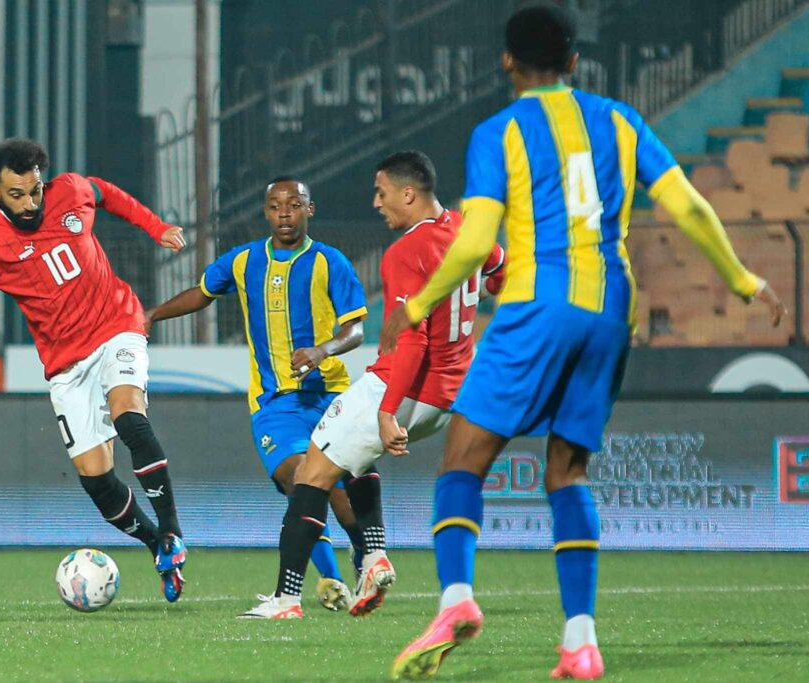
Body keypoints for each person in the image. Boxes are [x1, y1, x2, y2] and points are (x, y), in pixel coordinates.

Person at [383, 6, 786, 680]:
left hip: (539, 303)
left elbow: (476, 243)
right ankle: (580, 642)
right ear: (574, 62)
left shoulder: (499, 131)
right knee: (567, 471)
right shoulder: (620, 121)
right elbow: (686, 203)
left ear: (507, 62)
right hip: (611, 309)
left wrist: (419, 305)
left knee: (462, 460)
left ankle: (455, 600)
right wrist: (742, 279)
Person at [0, 138, 193, 602]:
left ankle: (173, 530)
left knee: (130, 417)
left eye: (35, 191)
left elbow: (105, 192)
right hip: (66, 364)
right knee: (97, 479)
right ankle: (156, 543)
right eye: (16, 194)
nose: (29, 203)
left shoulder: (69, 191)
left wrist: (155, 227)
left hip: (117, 325)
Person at [239, 152, 505, 620]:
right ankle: (373, 558)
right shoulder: (467, 230)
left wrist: (386, 410)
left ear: (408, 193)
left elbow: (413, 340)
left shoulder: (405, 251)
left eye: (382, 193)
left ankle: (286, 600)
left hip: (401, 387)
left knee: (312, 475)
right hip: (449, 396)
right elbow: (500, 269)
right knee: (354, 460)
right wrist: (484, 292)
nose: (376, 203)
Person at [146, 177, 371, 612]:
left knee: (337, 491)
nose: (284, 212)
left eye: (294, 204)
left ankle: (364, 551)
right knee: (299, 479)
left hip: (329, 396)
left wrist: (322, 350)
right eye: (275, 205)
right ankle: (330, 578)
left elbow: (356, 329)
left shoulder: (330, 262)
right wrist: (152, 314)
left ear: (310, 209)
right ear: (266, 213)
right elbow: (203, 293)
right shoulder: (244, 260)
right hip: (274, 404)